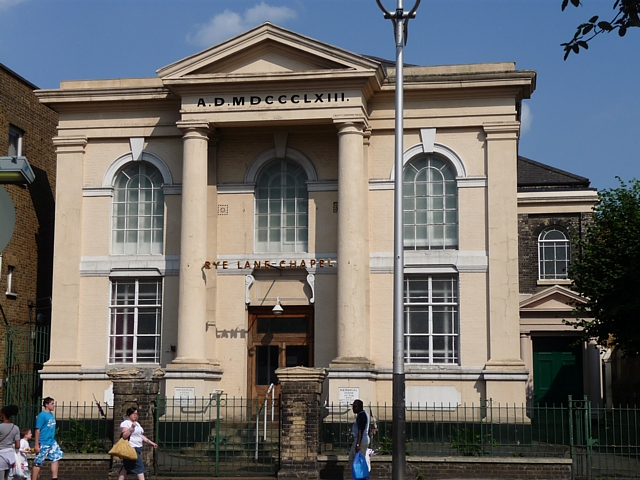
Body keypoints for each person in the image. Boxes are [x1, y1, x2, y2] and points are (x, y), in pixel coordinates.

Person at [118, 407, 157, 480]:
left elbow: (140, 436)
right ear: (129, 414)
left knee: (126, 467)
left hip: (138, 448)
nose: (135, 415)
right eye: (133, 413)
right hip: (131, 448)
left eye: (136, 413)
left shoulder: (137, 424)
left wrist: (151, 443)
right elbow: (124, 436)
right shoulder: (126, 423)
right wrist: (131, 428)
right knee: (140, 467)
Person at [32, 397, 63, 480]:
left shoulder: (51, 415)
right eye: (52, 403)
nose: (54, 405)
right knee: (38, 462)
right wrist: (36, 444)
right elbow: (37, 430)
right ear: (46, 404)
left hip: (51, 442)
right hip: (43, 442)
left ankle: (54, 478)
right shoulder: (42, 415)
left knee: (56, 458)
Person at [0, 405, 20, 480]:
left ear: (3, 415)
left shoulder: (0, 427)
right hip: (10, 456)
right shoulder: (15, 428)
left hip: (1, 455)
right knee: (7, 477)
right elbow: (17, 445)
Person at [348, 399, 370, 467]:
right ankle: (358, 474)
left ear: (360, 407)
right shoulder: (362, 414)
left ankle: (361, 475)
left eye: (355, 407)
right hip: (360, 440)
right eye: (353, 407)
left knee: (359, 460)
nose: (353, 408)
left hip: (361, 440)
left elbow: (361, 431)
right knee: (353, 458)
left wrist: (358, 444)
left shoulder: (361, 416)